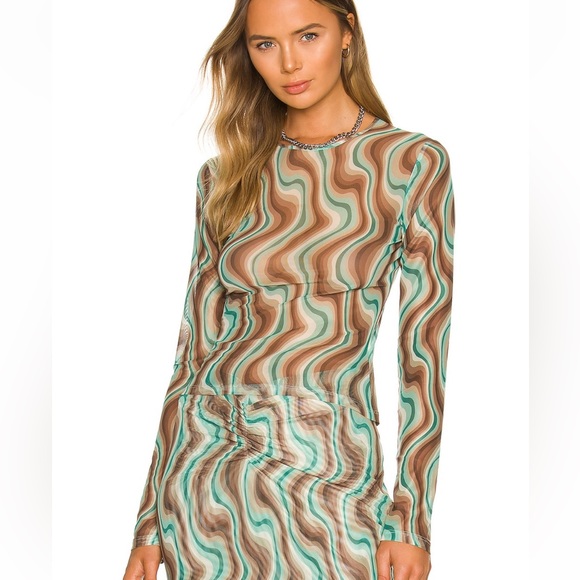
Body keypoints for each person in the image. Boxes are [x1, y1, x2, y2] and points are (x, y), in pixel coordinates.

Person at [123, 0, 455, 578]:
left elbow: (423, 355)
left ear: (347, 31)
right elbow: (192, 352)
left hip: (332, 475)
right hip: (207, 485)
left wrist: (411, 520)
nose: (289, 63)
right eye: (265, 44)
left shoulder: (409, 164)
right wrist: (149, 523)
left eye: (308, 36)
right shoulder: (223, 178)